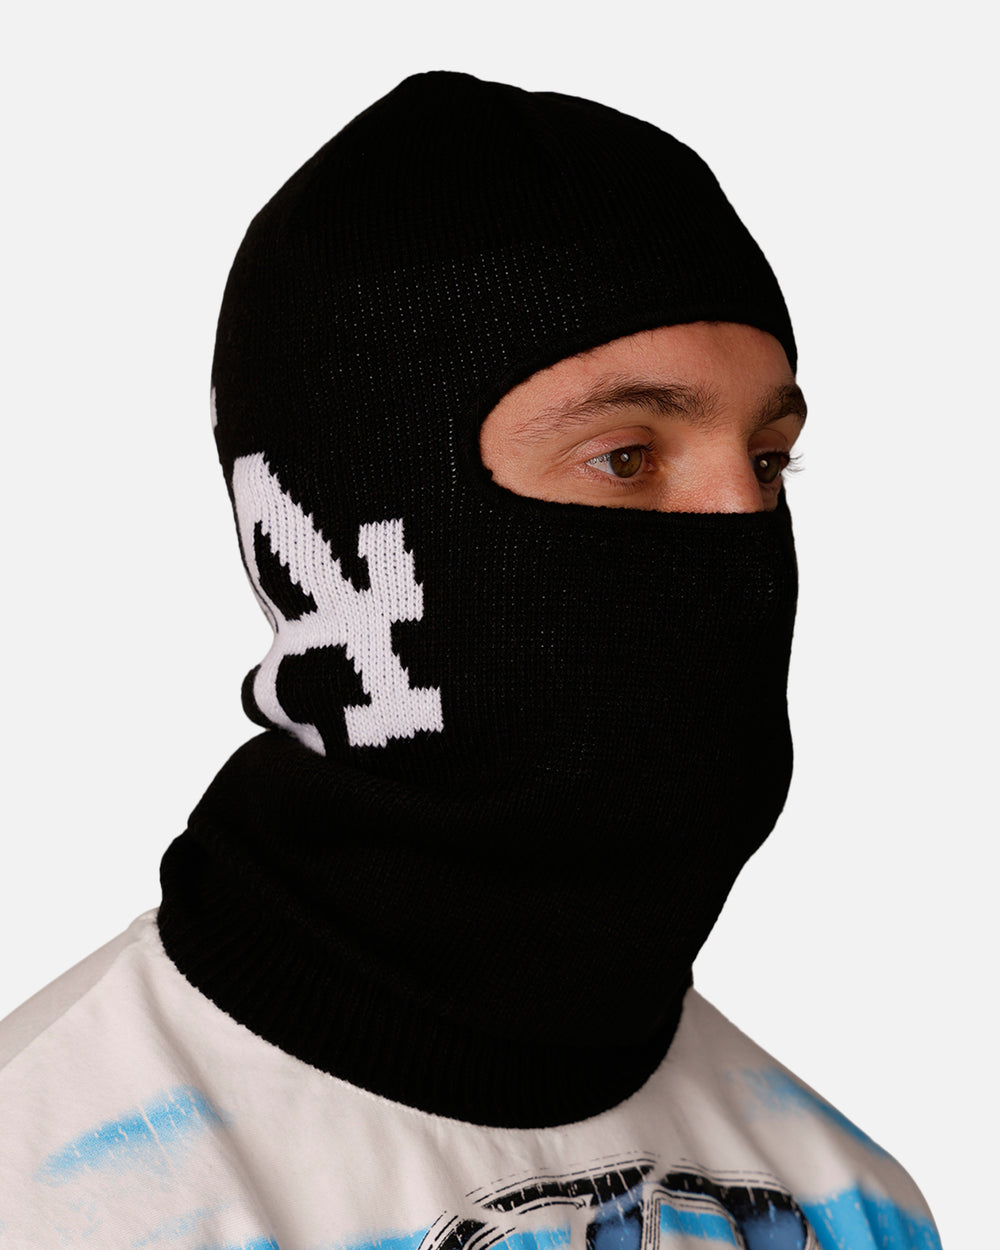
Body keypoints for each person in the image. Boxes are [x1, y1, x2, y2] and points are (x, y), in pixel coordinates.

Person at [0, 71, 940, 1250]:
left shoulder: (846, 1199)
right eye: (626, 457)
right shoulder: (48, 1189)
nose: (740, 537)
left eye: (767, 460)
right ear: (355, 531)